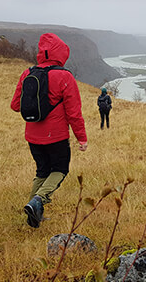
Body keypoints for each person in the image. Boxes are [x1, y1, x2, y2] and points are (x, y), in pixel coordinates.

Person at [10, 33, 88, 228]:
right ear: (61, 53)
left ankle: (32, 216)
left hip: (32, 136)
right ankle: (38, 200)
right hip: (56, 137)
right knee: (60, 170)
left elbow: (15, 105)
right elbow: (74, 113)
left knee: (42, 171)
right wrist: (82, 138)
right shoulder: (64, 76)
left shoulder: (27, 74)